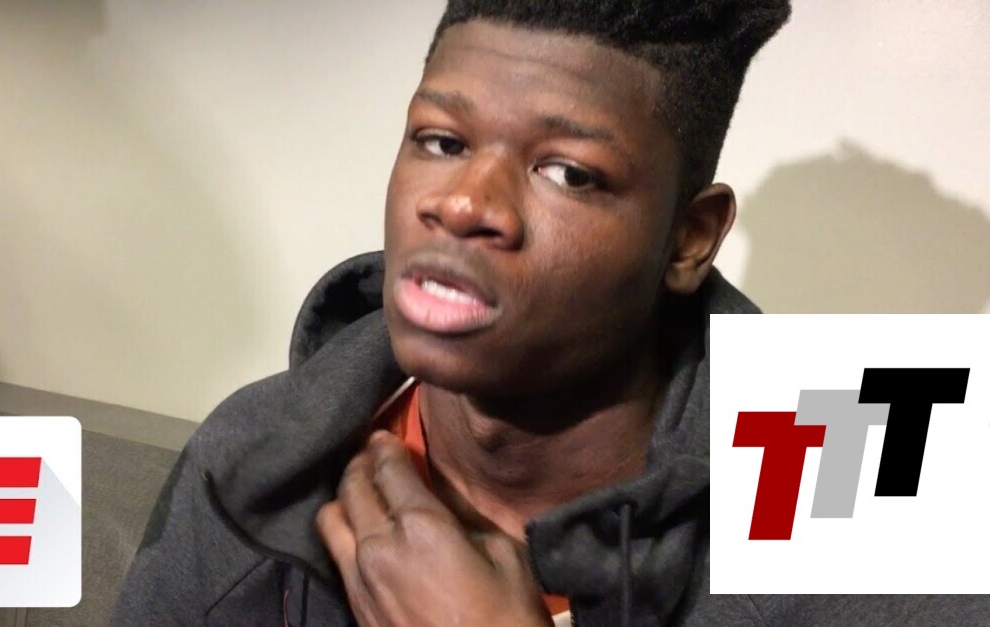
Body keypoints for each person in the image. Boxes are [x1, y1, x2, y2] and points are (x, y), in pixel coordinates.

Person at [114, 2, 988, 625]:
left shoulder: (884, 466)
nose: (463, 203)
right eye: (441, 141)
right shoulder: (258, 453)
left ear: (688, 237)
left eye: (568, 172)